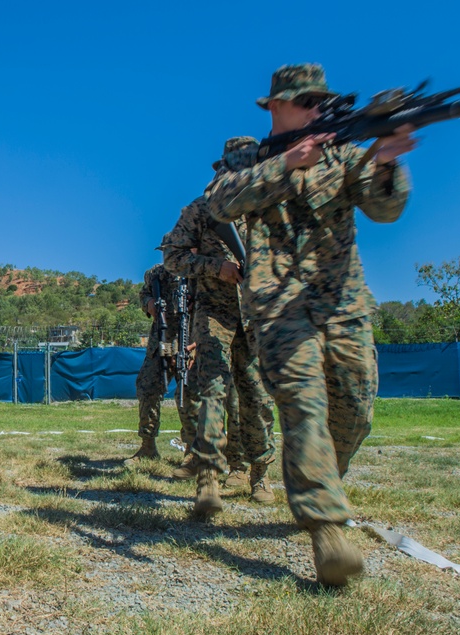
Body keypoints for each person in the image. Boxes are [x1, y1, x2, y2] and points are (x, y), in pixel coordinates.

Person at [205, 64, 416, 585]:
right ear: (276, 105)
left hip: (342, 302)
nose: (318, 109)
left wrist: (387, 161)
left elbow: (385, 209)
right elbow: (219, 202)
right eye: (307, 101)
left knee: (355, 407)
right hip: (277, 306)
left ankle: (321, 480)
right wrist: (287, 164)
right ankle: (328, 531)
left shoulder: (344, 153)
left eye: (323, 101)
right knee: (304, 407)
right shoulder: (249, 158)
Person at [162, 137, 278, 510]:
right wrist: (217, 268)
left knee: (257, 398)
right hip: (214, 311)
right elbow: (173, 258)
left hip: (257, 315)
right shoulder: (201, 209)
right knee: (212, 389)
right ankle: (209, 475)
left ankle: (259, 474)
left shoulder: (271, 207)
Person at [128, 264, 192, 462]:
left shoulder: (196, 270)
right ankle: (148, 447)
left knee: (188, 391)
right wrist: (148, 303)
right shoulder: (155, 274)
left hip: (188, 340)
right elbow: (143, 294)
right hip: (162, 341)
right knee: (147, 387)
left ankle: (192, 449)